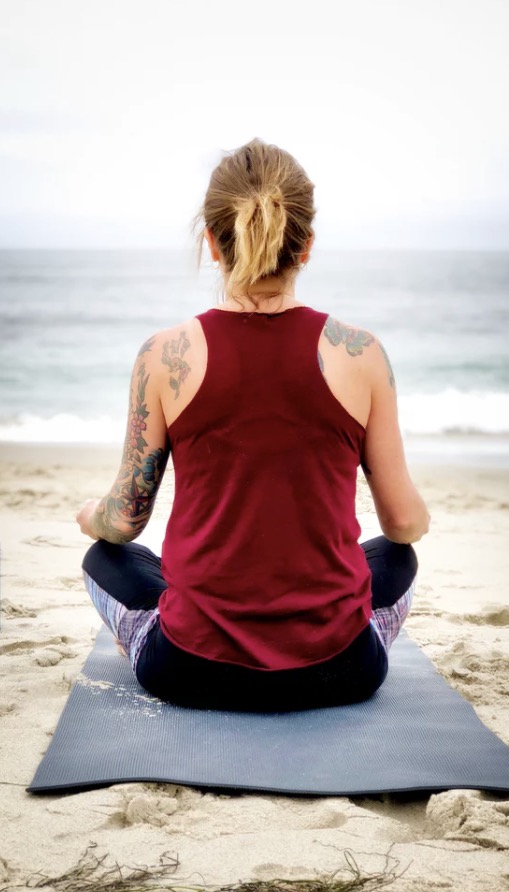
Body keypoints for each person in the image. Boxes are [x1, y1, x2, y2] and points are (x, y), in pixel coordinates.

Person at [76, 138, 430, 712]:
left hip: (190, 671)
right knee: (399, 559)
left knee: (103, 557)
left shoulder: (164, 355)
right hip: (341, 670)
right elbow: (405, 522)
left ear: (212, 243)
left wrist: (89, 514)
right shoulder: (362, 353)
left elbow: (124, 521)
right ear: (307, 245)